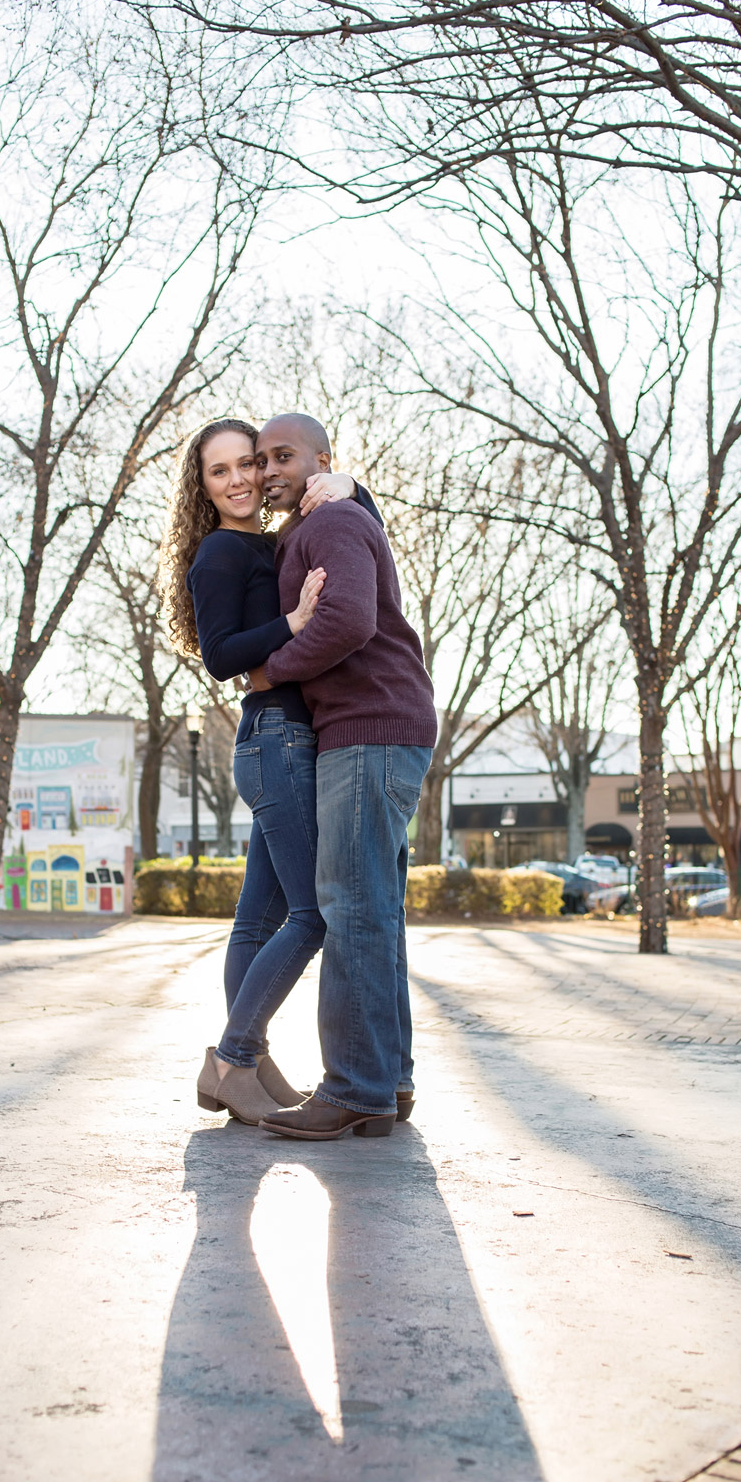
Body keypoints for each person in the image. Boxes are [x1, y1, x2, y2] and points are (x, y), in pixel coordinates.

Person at [156, 417, 374, 1126]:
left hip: (277, 739)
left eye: (247, 463)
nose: (241, 479)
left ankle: (247, 1060)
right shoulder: (220, 552)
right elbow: (220, 655)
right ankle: (233, 1057)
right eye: (219, 472)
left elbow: (353, 536)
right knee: (310, 917)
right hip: (277, 739)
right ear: (204, 487)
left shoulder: (273, 537)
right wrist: (295, 619)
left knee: (257, 922)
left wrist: (351, 488)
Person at [246, 413, 437, 1141]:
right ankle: (386, 1081)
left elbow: (348, 620)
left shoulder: (328, 522)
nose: (268, 470)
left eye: (283, 456)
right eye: (261, 459)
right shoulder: (330, 516)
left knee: (351, 910)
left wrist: (268, 671)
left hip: (366, 730)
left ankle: (353, 1086)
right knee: (374, 913)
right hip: (382, 729)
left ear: (321, 459)